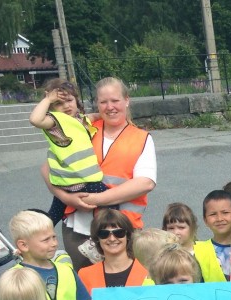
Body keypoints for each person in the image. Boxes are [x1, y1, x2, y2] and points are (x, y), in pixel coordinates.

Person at [44, 77, 157, 272]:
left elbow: (145, 183)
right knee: (86, 288)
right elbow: (47, 168)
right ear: (97, 103)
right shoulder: (83, 128)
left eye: (115, 100)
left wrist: (97, 199)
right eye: (103, 102)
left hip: (121, 231)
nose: (110, 107)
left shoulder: (141, 138)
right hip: (78, 230)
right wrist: (66, 197)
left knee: (124, 286)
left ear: (126, 100)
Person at [29, 79, 107, 228]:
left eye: (70, 100)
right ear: (52, 108)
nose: (66, 106)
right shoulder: (55, 121)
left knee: (52, 217)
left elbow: (94, 116)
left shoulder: (80, 120)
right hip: (83, 180)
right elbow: (35, 119)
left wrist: (107, 114)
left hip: (66, 181)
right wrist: (48, 99)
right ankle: (99, 238)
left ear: (76, 101)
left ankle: (32, 239)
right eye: (59, 103)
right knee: (112, 207)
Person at [77, 210, 149, 300]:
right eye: (104, 234)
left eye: (119, 233)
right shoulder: (84, 275)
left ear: (128, 235)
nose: (112, 238)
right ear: (97, 238)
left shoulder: (147, 271)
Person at [194, 189, 231, 286]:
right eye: (213, 214)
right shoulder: (199, 252)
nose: (219, 219)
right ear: (205, 220)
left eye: (225, 212)